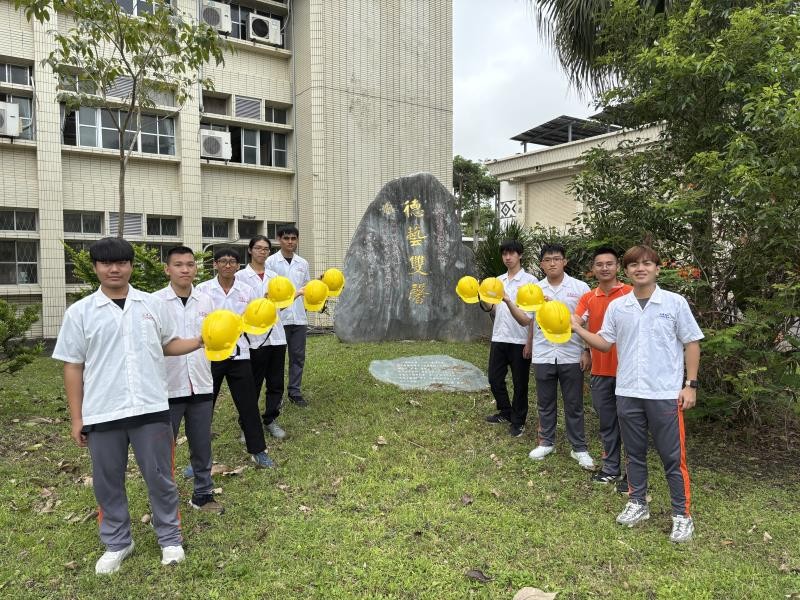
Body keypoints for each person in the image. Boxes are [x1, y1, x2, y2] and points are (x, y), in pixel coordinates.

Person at [52, 237, 203, 574]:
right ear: (96, 268)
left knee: (160, 476)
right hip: (103, 410)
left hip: (150, 407)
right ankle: (118, 542)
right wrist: (77, 417)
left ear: (132, 266)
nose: (114, 269)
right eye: (107, 263)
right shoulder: (80, 313)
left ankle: (169, 538)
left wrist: (202, 341)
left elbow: (168, 344)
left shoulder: (151, 305)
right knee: (108, 481)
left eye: (121, 262)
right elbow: (72, 365)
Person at [571, 245, 703, 543]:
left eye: (646, 264)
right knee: (634, 453)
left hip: (664, 394)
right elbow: (604, 343)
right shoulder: (620, 306)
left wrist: (690, 385)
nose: (639, 268)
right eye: (633, 265)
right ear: (627, 271)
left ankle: (682, 515)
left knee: (673, 458)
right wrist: (577, 329)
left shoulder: (674, 303)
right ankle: (637, 502)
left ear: (657, 269)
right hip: (628, 391)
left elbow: (691, 343)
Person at [154, 246, 223, 514]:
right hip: (166, 387)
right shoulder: (154, 302)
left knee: (202, 443)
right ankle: (164, 501)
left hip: (201, 383)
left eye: (190, 265)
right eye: (179, 264)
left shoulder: (206, 301)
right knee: (162, 448)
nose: (185, 270)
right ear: (167, 269)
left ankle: (203, 494)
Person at [196, 247, 274, 468]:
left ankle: (258, 451)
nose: (228, 265)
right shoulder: (203, 290)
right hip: (211, 355)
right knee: (204, 407)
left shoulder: (247, 291)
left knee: (248, 405)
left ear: (238, 266)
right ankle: (199, 459)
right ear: (215, 265)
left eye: (232, 261)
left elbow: (256, 317)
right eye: (223, 261)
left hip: (240, 354)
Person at [526, 243, 595, 470]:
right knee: (545, 402)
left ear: (565, 261)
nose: (552, 263)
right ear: (541, 264)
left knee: (574, 403)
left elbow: (588, 320)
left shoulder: (580, 287)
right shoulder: (535, 289)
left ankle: (579, 448)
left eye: (557, 258)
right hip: (544, 353)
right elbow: (529, 320)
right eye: (547, 259)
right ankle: (546, 442)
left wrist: (587, 349)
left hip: (571, 353)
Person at [575, 248, 633, 488]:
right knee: (607, 423)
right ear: (594, 268)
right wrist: (586, 350)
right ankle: (610, 469)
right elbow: (576, 322)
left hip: (628, 373)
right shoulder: (589, 298)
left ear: (618, 267)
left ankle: (633, 474)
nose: (605, 268)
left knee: (630, 424)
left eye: (610, 263)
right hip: (600, 371)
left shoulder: (630, 293)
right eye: (600, 264)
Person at [236, 235, 289, 439]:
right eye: (258, 248)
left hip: (276, 336)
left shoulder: (275, 277)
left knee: (275, 382)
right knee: (252, 383)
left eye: (266, 249)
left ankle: (271, 419)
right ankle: (246, 424)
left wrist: (277, 301)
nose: (262, 252)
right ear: (250, 250)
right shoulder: (240, 277)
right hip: (253, 339)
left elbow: (283, 304)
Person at [482, 240, 537, 438]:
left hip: (520, 339)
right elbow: (492, 309)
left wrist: (530, 342)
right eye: (504, 253)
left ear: (520, 255)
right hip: (499, 337)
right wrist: (484, 300)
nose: (507, 257)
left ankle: (519, 420)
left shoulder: (531, 282)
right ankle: (505, 412)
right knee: (494, 379)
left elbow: (531, 318)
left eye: (511, 253)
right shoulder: (497, 281)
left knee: (520, 383)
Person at [265, 226, 311, 407]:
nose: (290, 242)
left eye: (293, 238)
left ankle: (295, 391)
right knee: (276, 359)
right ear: (279, 239)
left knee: (298, 356)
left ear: (297, 240)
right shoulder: (271, 262)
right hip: (278, 319)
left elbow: (307, 287)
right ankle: (276, 395)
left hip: (298, 318)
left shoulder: (303, 263)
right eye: (286, 238)